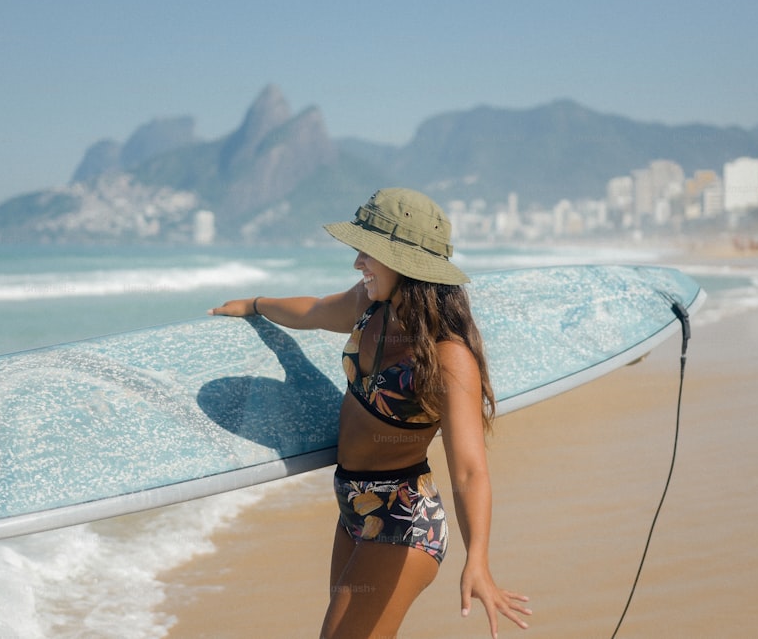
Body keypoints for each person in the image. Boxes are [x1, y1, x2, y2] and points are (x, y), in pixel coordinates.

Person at [209, 188, 531, 638]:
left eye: (369, 252)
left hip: (403, 519)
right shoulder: (370, 306)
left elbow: (470, 471)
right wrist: (256, 305)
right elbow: (317, 310)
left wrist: (478, 559)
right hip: (353, 508)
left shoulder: (448, 356)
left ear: (405, 264)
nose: (358, 262)